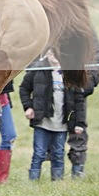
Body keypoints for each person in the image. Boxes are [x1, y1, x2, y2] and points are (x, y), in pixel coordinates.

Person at [51, 0, 99, 178]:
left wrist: (86, 84)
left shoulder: (86, 28)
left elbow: (96, 56)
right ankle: (53, 171)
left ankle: (77, 170)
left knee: (77, 128)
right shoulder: (47, 28)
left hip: (76, 89)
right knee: (50, 131)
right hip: (51, 90)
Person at [20, 50, 85, 181]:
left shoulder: (70, 73)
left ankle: (57, 182)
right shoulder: (38, 69)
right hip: (42, 122)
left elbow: (79, 101)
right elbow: (24, 89)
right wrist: (28, 107)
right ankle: (33, 182)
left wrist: (79, 123)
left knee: (58, 154)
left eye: (57, 52)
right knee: (38, 153)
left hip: (62, 124)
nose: (53, 56)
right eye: (51, 52)